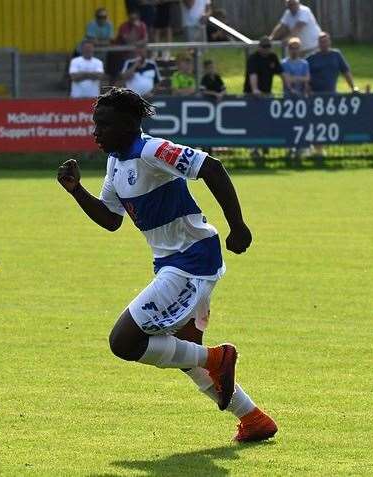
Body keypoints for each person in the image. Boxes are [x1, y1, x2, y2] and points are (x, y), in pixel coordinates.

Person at [56, 87, 278, 442]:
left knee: (124, 341)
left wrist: (238, 225)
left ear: (129, 124)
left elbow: (212, 168)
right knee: (184, 355)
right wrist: (76, 191)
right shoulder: (116, 162)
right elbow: (112, 220)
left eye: (104, 125)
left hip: (192, 260)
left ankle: (218, 358)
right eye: (95, 125)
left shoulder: (152, 150)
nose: (95, 132)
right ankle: (252, 418)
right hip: (172, 263)